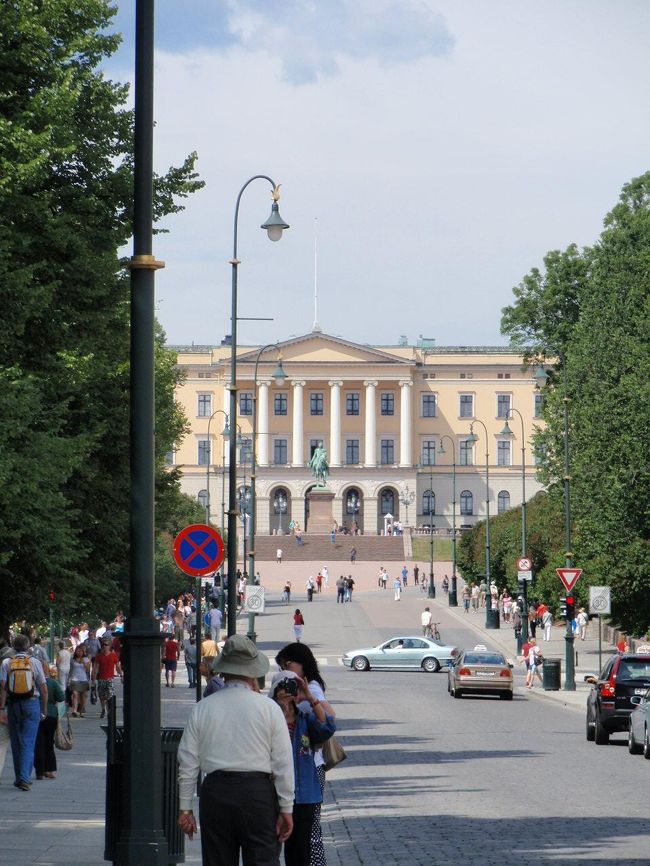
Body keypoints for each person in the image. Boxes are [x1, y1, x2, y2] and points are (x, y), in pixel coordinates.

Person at [177, 635, 294, 865]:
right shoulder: (269, 709)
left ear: (223, 671)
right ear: (252, 672)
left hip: (216, 792)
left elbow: (188, 762)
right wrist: (286, 807)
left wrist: (185, 808)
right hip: (257, 793)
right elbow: (282, 762)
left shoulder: (203, 708)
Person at [275, 642, 337, 866]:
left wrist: (309, 697)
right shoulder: (271, 717)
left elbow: (329, 724)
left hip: (305, 781)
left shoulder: (309, 695)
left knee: (306, 837)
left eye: (288, 664)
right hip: (280, 788)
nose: (285, 670)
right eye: (281, 667)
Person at [0, 634, 48, 790]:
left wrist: (2, 709)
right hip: (32, 703)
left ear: (13, 647)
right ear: (28, 647)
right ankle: (25, 778)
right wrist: (44, 708)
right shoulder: (34, 662)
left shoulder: (7, 662)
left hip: (13, 705)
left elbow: (3, 688)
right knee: (28, 742)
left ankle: (19, 777)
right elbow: (44, 688)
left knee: (16, 742)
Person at [34, 665, 65, 780]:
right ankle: (49, 770)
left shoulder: (34, 682)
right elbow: (61, 697)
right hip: (51, 715)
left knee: (38, 743)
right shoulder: (53, 683)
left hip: (36, 714)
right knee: (49, 743)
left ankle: (39, 771)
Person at [92, 639, 123, 719]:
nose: (104, 646)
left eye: (106, 645)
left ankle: (109, 710)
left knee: (110, 695)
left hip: (110, 679)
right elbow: (95, 668)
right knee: (102, 696)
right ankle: (103, 709)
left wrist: (121, 675)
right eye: (103, 645)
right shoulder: (99, 656)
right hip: (101, 679)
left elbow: (117, 666)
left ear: (109, 646)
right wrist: (93, 680)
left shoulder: (113, 655)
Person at [68, 645, 91, 717]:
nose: (79, 652)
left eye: (80, 651)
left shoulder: (86, 659)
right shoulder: (73, 660)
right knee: (75, 694)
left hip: (83, 679)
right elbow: (70, 670)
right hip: (74, 679)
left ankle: (81, 710)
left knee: (83, 696)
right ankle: (74, 710)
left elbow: (88, 669)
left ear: (83, 652)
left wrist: (83, 662)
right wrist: (68, 679)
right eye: (77, 651)